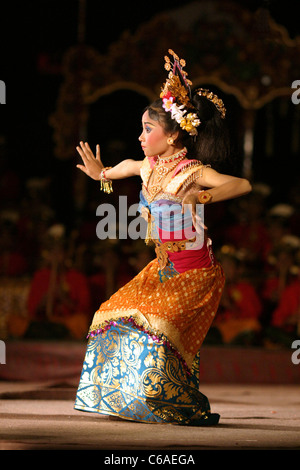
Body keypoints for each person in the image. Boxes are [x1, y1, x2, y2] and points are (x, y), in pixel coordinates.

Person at [74, 50, 251, 426]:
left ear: (172, 134)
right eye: (141, 128)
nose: (140, 136)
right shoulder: (149, 166)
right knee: (108, 315)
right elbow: (126, 166)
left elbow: (241, 183)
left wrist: (198, 195)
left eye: (147, 129)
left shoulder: (191, 170)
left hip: (196, 275)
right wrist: (101, 172)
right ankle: (130, 400)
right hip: (162, 270)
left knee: (159, 329)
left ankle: (178, 404)